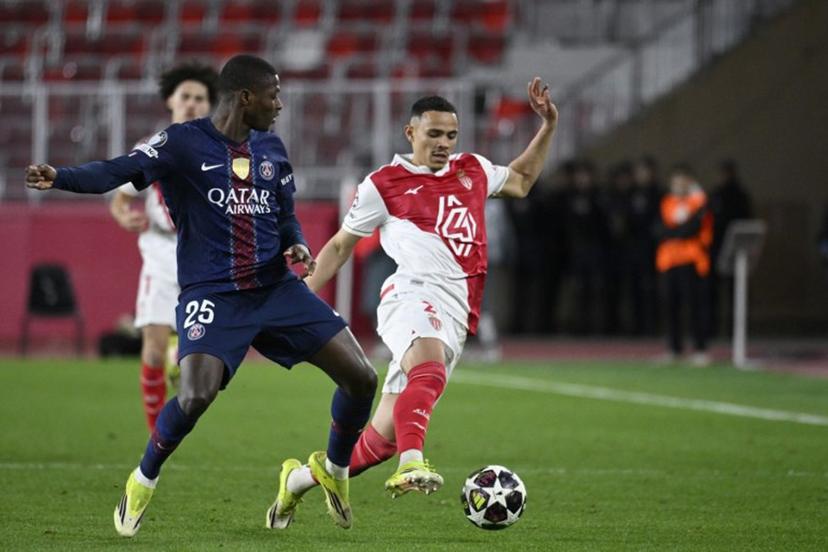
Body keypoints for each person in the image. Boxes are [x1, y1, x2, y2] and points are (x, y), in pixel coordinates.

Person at [25, 54, 377, 536]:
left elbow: (285, 212)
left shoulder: (271, 148)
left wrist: (296, 240)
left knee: (361, 377)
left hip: (275, 288)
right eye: (273, 95)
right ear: (245, 97)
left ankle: (333, 471)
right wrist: (60, 177)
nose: (280, 104)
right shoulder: (181, 144)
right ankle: (143, 478)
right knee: (194, 396)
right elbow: (117, 169)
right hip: (214, 293)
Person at [265, 78, 558, 529]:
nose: (443, 144)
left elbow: (519, 181)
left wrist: (548, 125)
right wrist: (298, 297)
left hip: (457, 312)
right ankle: (414, 462)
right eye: (433, 134)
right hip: (410, 294)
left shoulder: (473, 170)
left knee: (377, 443)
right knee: (429, 367)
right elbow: (342, 245)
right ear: (411, 133)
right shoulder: (383, 184)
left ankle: (300, 480)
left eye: (450, 135)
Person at [109, 62, 218, 432]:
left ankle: (179, 355)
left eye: (199, 98)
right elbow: (120, 199)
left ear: (210, 106)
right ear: (171, 101)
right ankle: (158, 435)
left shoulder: (222, 151)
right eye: (185, 96)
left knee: (204, 361)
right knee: (152, 351)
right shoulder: (152, 150)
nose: (191, 104)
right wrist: (124, 216)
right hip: (159, 250)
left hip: (204, 257)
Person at [656, 164, 713, 365]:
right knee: (671, 306)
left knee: (696, 305)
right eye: (676, 182)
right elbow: (663, 228)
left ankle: (700, 348)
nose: (679, 186)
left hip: (691, 260)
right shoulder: (667, 202)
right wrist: (678, 231)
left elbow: (693, 228)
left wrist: (677, 232)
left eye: (683, 182)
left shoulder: (698, 202)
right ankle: (674, 348)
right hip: (669, 261)